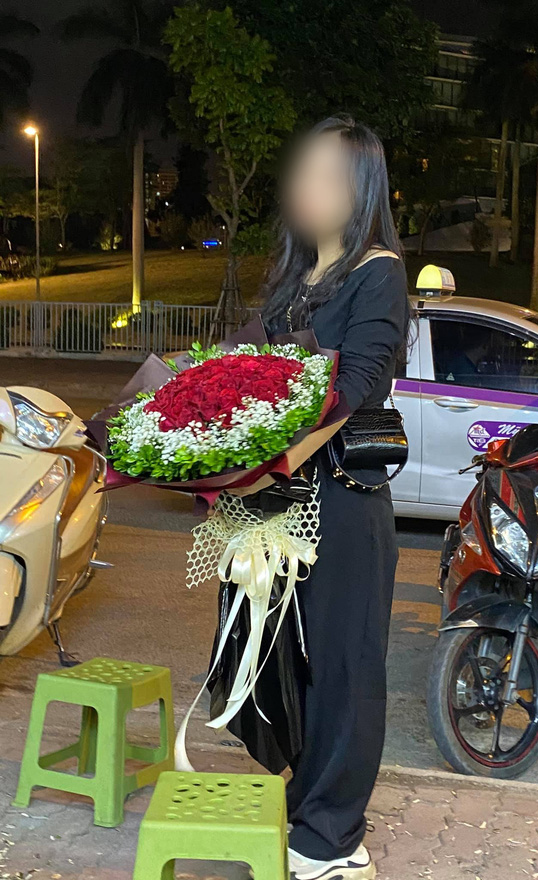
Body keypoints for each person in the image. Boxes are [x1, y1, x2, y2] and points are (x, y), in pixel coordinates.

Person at [234, 117, 408, 879]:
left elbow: (355, 382)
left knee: (343, 665)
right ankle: (307, 801)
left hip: (340, 496)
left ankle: (332, 837)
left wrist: (270, 462)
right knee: (284, 663)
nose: (309, 188)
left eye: (328, 175)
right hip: (278, 503)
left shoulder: (378, 271)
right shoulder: (295, 276)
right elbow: (248, 374)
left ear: (362, 186)